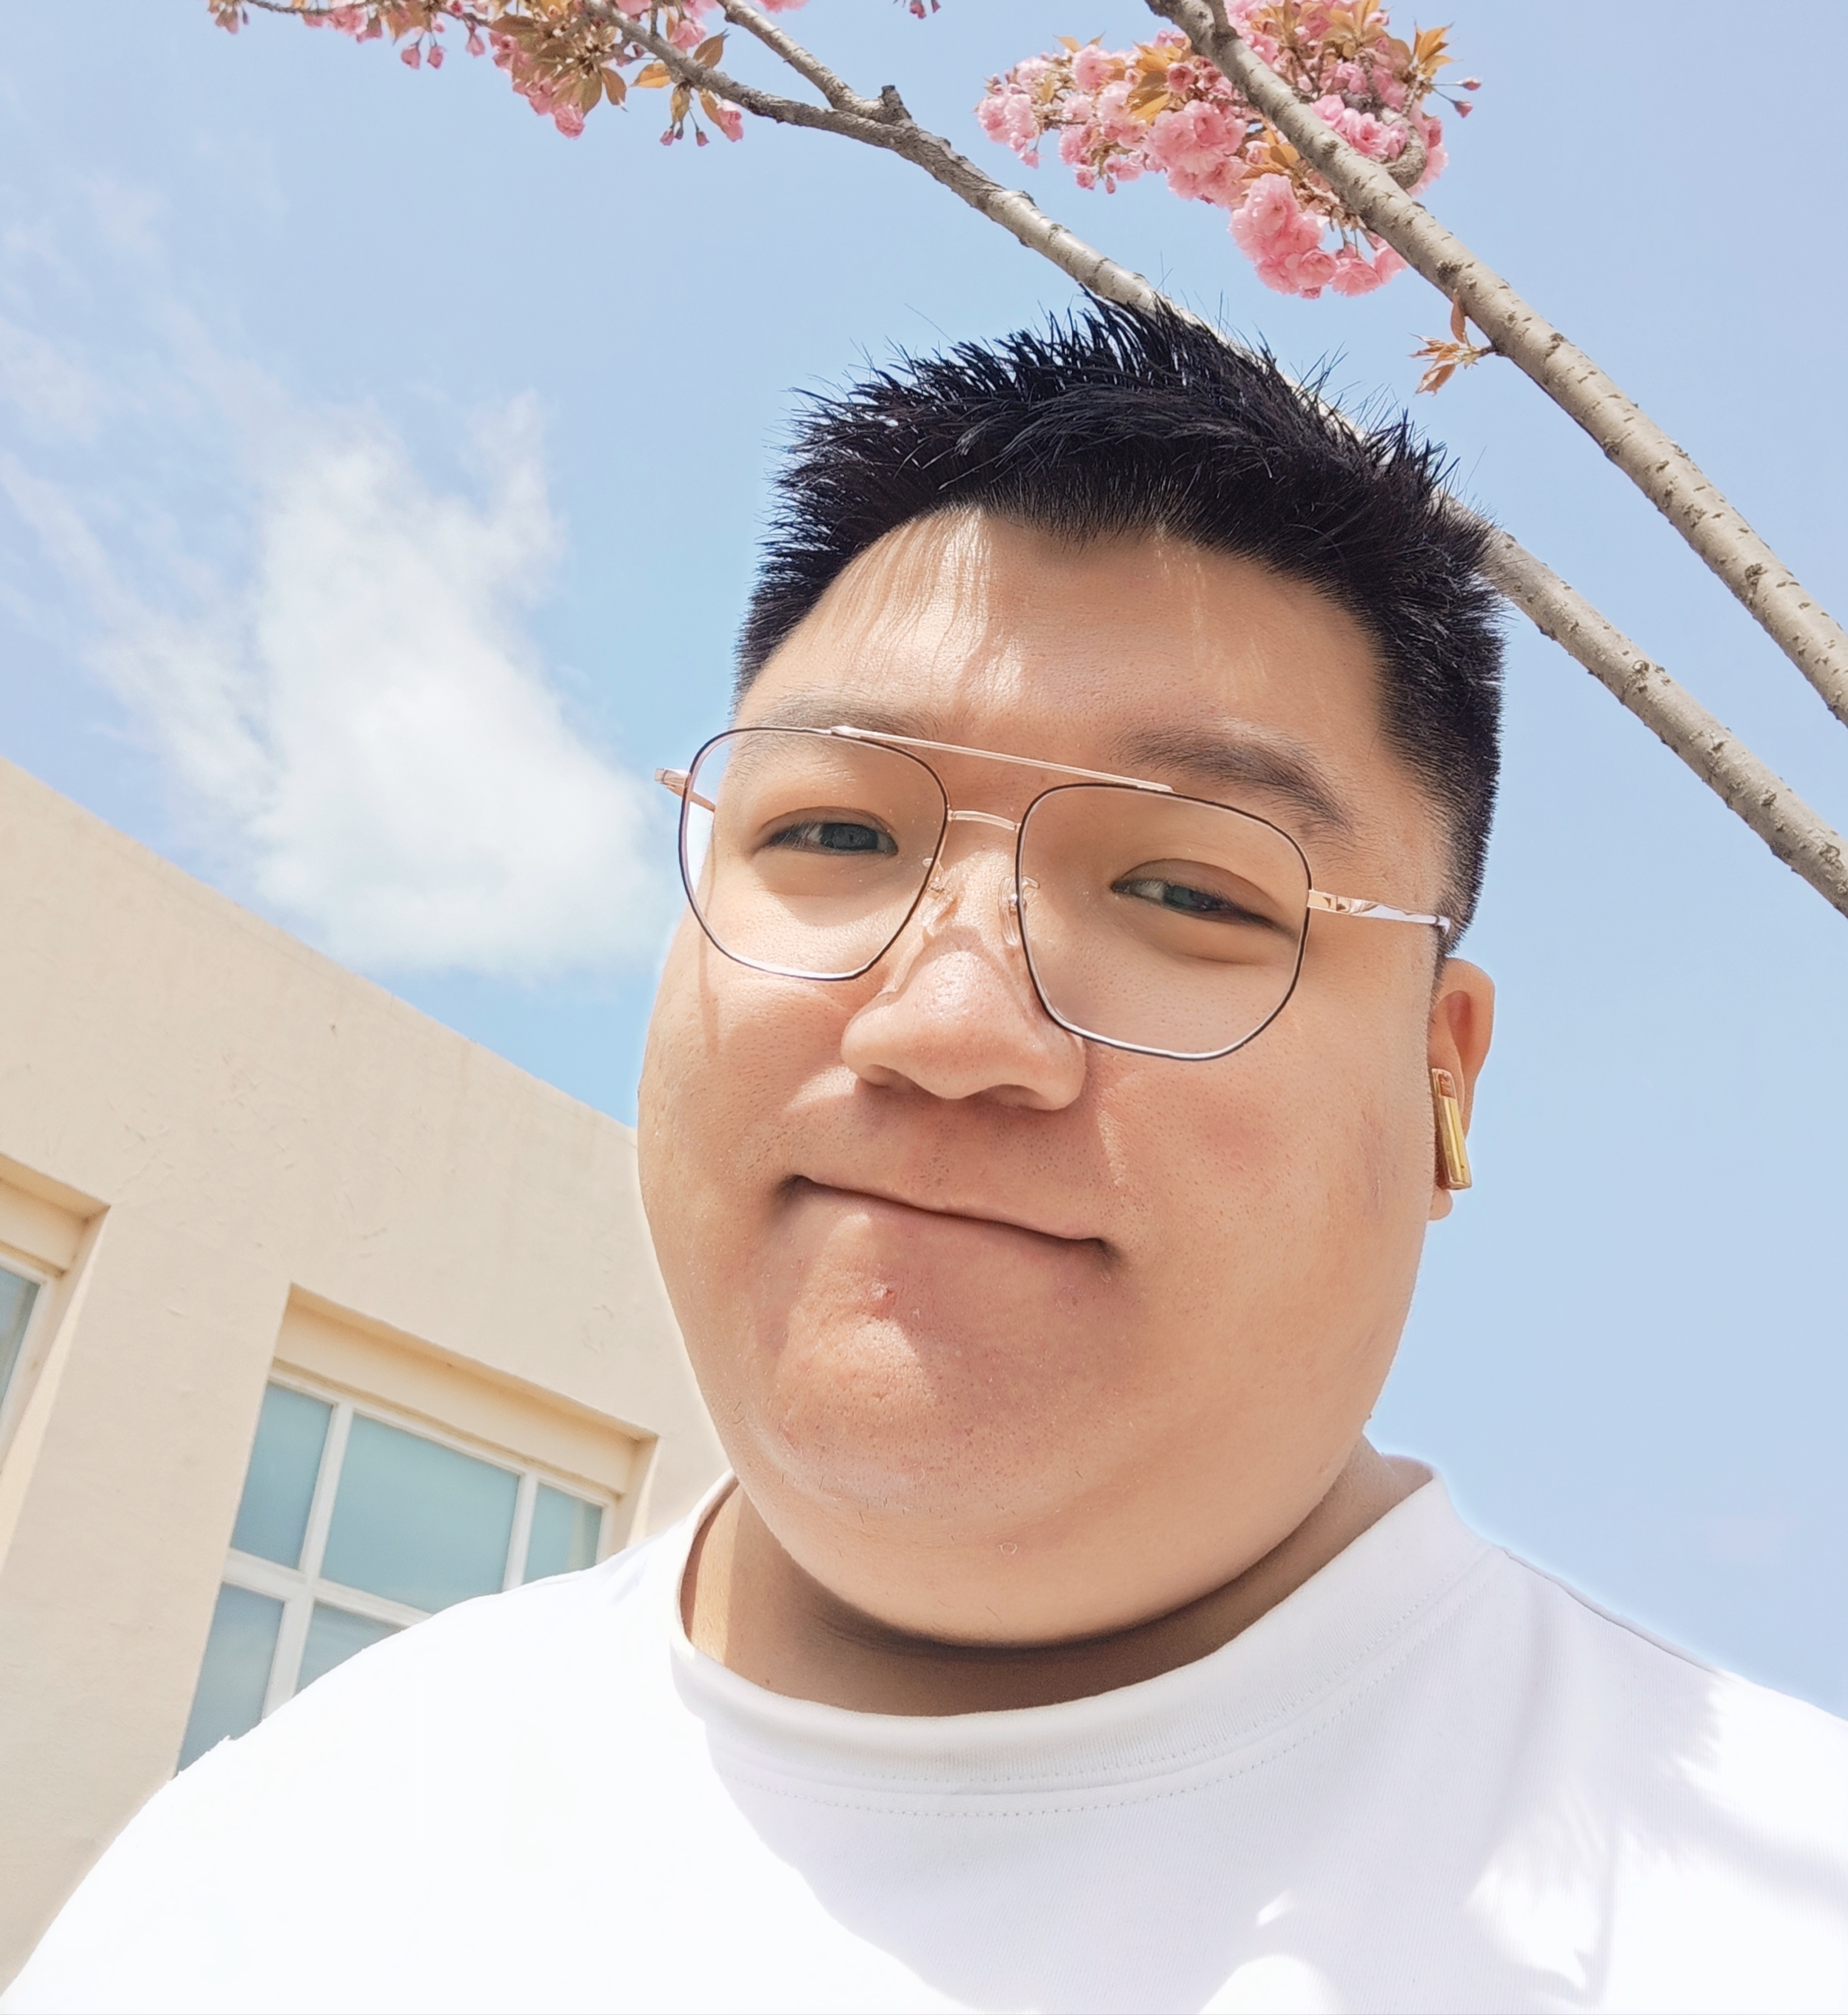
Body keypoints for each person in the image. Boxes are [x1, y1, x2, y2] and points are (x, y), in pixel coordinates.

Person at [8, 307, 1846, 2015]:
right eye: (829, 833)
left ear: (1441, 1076)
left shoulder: (1769, 1921)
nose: (951, 1021)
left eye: (1189, 889)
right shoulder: (265, 1875)